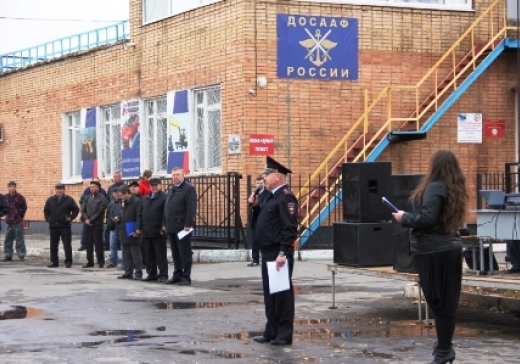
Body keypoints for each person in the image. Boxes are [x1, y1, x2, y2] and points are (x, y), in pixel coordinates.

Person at [392, 150, 467, 364]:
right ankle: (444, 349)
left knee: (438, 301)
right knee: (446, 302)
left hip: (434, 251)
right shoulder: (455, 188)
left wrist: (404, 217)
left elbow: (427, 218)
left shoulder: (435, 187)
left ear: (435, 165)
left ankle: (444, 351)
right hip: (449, 248)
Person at [252, 156, 298, 346]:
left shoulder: (286, 197)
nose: (264, 179)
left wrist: (283, 252)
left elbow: (289, 227)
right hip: (267, 251)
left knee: (281, 294)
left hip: (278, 252)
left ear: (277, 176)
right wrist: (255, 206)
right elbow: (261, 221)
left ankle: (284, 333)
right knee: (270, 294)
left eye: (267, 175)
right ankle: (271, 330)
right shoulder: (269, 196)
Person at [164, 167, 197, 285]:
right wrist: (165, 223)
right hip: (171, 226)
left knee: (185, 252)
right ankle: (177, 274)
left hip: (183, 226)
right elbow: (167, 207)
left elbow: (191, 207)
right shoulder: (172, 189)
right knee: (175, 253)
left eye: (177, 174)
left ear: (183, 175)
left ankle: (186, 276)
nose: (175, 177)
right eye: (173, 175)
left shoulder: (188, 189)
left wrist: (188, 223)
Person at [43, 183, 80, 268]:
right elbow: (46, 211)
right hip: (53, 226)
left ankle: (68, 262)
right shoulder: (50, 200)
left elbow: (76, 209)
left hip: (65, 226)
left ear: (64, 190)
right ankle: (54, 262)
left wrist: (70, 218)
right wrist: (49, 220)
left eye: (61, 189)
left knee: (67, 244)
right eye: (57, 189)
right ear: (55, 190)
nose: (59, 191)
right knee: (53, 245)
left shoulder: (69, 200)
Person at [139, 178, 168, 282]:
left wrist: (163, 226)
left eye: (156, 185)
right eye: (152, 185)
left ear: (160, 185)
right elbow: (141, 214)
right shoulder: (146, 198)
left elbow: (166, 213)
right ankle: (152, 274)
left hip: (158, 231)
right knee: (149, 255)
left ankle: (163, 275)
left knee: (160, 255)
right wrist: (139, 227)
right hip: (146, 231)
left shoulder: (164, 198)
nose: (154, 187)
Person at [117, 184, 143, 280]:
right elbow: (122, 213)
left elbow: (139, 215)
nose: (120, 198)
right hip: (124, 228)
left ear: (127, 193)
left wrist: (137, 229)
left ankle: (138, 273)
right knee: (126, 253)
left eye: (121, 195)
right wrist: (118, 218)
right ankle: (128, 272)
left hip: (132, 228)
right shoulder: (124, 202)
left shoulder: (136, 201)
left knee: (135, 253)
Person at [81, 180, 108, 268]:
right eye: (90, 186)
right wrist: (86, 219)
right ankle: (90, 261)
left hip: (97, 224)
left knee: (98, 244)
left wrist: (91, 220)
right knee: (88, 244)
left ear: (97, 188)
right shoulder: (87, 197)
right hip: (88, 224)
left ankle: (100, 262)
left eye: (93, 187)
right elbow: (83, 210)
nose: (91, 188)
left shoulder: (102, 198)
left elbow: (100, 212)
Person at [3, 181, 28, 262]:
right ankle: (8, 255)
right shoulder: (5, 197)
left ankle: (21, 255)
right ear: (8, 187)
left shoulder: (20, 197)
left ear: (15, 187)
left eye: (13, 186)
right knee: (8, 240)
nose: (12, 188)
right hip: (8, 222)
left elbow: (24, 208)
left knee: (19, 239)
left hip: (17, 221)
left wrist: (20, 216)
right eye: (10, 186)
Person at [247, 176, 267, 266]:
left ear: (264, 184)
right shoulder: (253, 194)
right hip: (255, 219)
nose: (259, 185)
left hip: (264, 220)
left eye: (261, 183)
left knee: (264, 239)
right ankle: (255, 260)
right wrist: (252, 203)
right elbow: (250, 205)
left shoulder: (267, 194)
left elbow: (264, 207)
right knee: (255, 240)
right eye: (258, 183)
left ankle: (265, 258)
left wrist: (257, 204)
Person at [106, 188, 123, 269]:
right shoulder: (111, 203)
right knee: (112, 246)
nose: (116, 194)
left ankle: (124, 263)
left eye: (117, 192)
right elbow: (108, 214)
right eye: (115, 192)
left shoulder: (123, 203)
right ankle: (113, 262)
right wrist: (109, 223)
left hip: (121, 226)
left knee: (123, 246)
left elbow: (123, 212)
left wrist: (119, 217)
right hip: (113, 227)